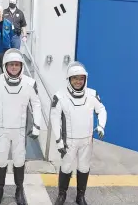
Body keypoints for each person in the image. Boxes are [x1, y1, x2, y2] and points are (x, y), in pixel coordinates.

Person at [0, 48, 41, 205]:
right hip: (2, 130)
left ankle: (19, 189)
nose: (14, 67)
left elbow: (36, 104)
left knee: (19, 161)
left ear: (21, 66)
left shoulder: (30, 83)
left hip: (20, 131)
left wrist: (37, 126)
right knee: (1, 160)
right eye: (11, 65)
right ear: (5, 65)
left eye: (17, 64)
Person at [50, 61, 107, 205]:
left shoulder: (92, 94)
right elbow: (54, 119)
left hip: (86, 140)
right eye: (75, 78)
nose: (78, 81)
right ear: (69, 79)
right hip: (68, 141)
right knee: (66, 167)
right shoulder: (60, 96)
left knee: (84, 167)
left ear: (85, 79)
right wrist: (58, 140)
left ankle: (80, 196)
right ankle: (62, 194)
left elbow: (101, 110)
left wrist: (101, 125)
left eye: (81, 78)